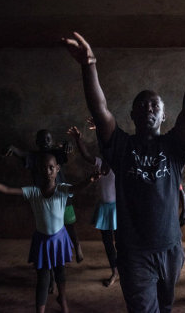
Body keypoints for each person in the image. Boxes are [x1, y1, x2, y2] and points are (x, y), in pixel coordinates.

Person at [62, 31, 185, 312]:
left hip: (170, 249)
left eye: (155, 106)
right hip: (134, 252)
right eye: (141, 105)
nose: (148, 108)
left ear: (163, 116)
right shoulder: (121, 146)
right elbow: (100, 111)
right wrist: (89, 65)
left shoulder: (173, 146)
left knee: (166, 305)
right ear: (132, 115)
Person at [0, 153, 98, 313]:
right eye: (44, 168)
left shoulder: (62, 190)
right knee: (43, 279)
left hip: (58, 239)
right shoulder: (34, 192)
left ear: (57, 169)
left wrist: (91, 179)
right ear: (38, 171)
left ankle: (62, 298)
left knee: (60, 272)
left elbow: (77, 187)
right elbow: (7, 189)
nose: (48, 171)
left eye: (51, 168)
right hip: (42, 241)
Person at [6, 129, 84, 264]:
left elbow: (67, 153)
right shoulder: (33, 156)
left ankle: (76, 245)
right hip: (44, 198)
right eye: (42, 139)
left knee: (69, 223)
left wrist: (68, 143)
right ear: (36, 142)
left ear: (52, 141)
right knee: (48, 225)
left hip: (61, 196)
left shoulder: (56, 153)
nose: (45, 142)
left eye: (48, 139)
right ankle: (50, 266)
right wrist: (12, 149)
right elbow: (22, 153)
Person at [67, 123, 119, 287]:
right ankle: (114, 271)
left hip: (117, 209)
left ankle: (123, 268)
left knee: (121, 242)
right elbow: (85, 155)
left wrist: (101, 130)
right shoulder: (99, 163)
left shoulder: (118, 165)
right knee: (107, 242)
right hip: (104, 208)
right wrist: (78, 139)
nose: (104, 150)